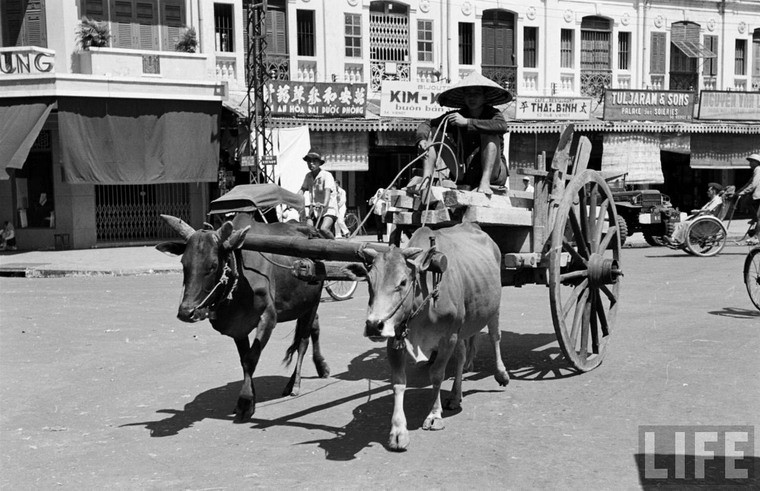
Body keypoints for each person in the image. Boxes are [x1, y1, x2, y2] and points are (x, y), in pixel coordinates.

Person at [415, 71, 512, 197]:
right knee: (433, 133)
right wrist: (421, 139)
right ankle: (426, 180)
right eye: (468, 94)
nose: (472, 98)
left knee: (489, 133)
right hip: (465, 173)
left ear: (484, 97)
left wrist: (467, 122)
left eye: (476, 94)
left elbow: (502, 126)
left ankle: (484, 183)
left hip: (494, 174)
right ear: (464, 97)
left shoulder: (493, 114)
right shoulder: (456, 116)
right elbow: (427, 124)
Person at [299, 151, 338, 235]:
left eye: (314, 161)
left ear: (319, 163)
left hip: (328, 209)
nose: (311, 164)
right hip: (314, 209)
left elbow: (327, 190)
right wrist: (293, 200)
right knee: (308, 229)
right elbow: (302, 190)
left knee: (323, 229)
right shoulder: (308, 176)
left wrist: (324, 204)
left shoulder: (326, 175)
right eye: (309, 161)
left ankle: (334, 244)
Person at [735, 153, 760, 244]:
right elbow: (748, 183)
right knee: (747, 202)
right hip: (757, 196)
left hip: (758, 196)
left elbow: (754, 184)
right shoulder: (756, 170)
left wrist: (744, 192)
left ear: (756, 162)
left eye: (751, 162)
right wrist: (738, 192)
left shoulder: (758, 169)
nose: (749, 164)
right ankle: (755, 220)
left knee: (759, 217)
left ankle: (756, 237)